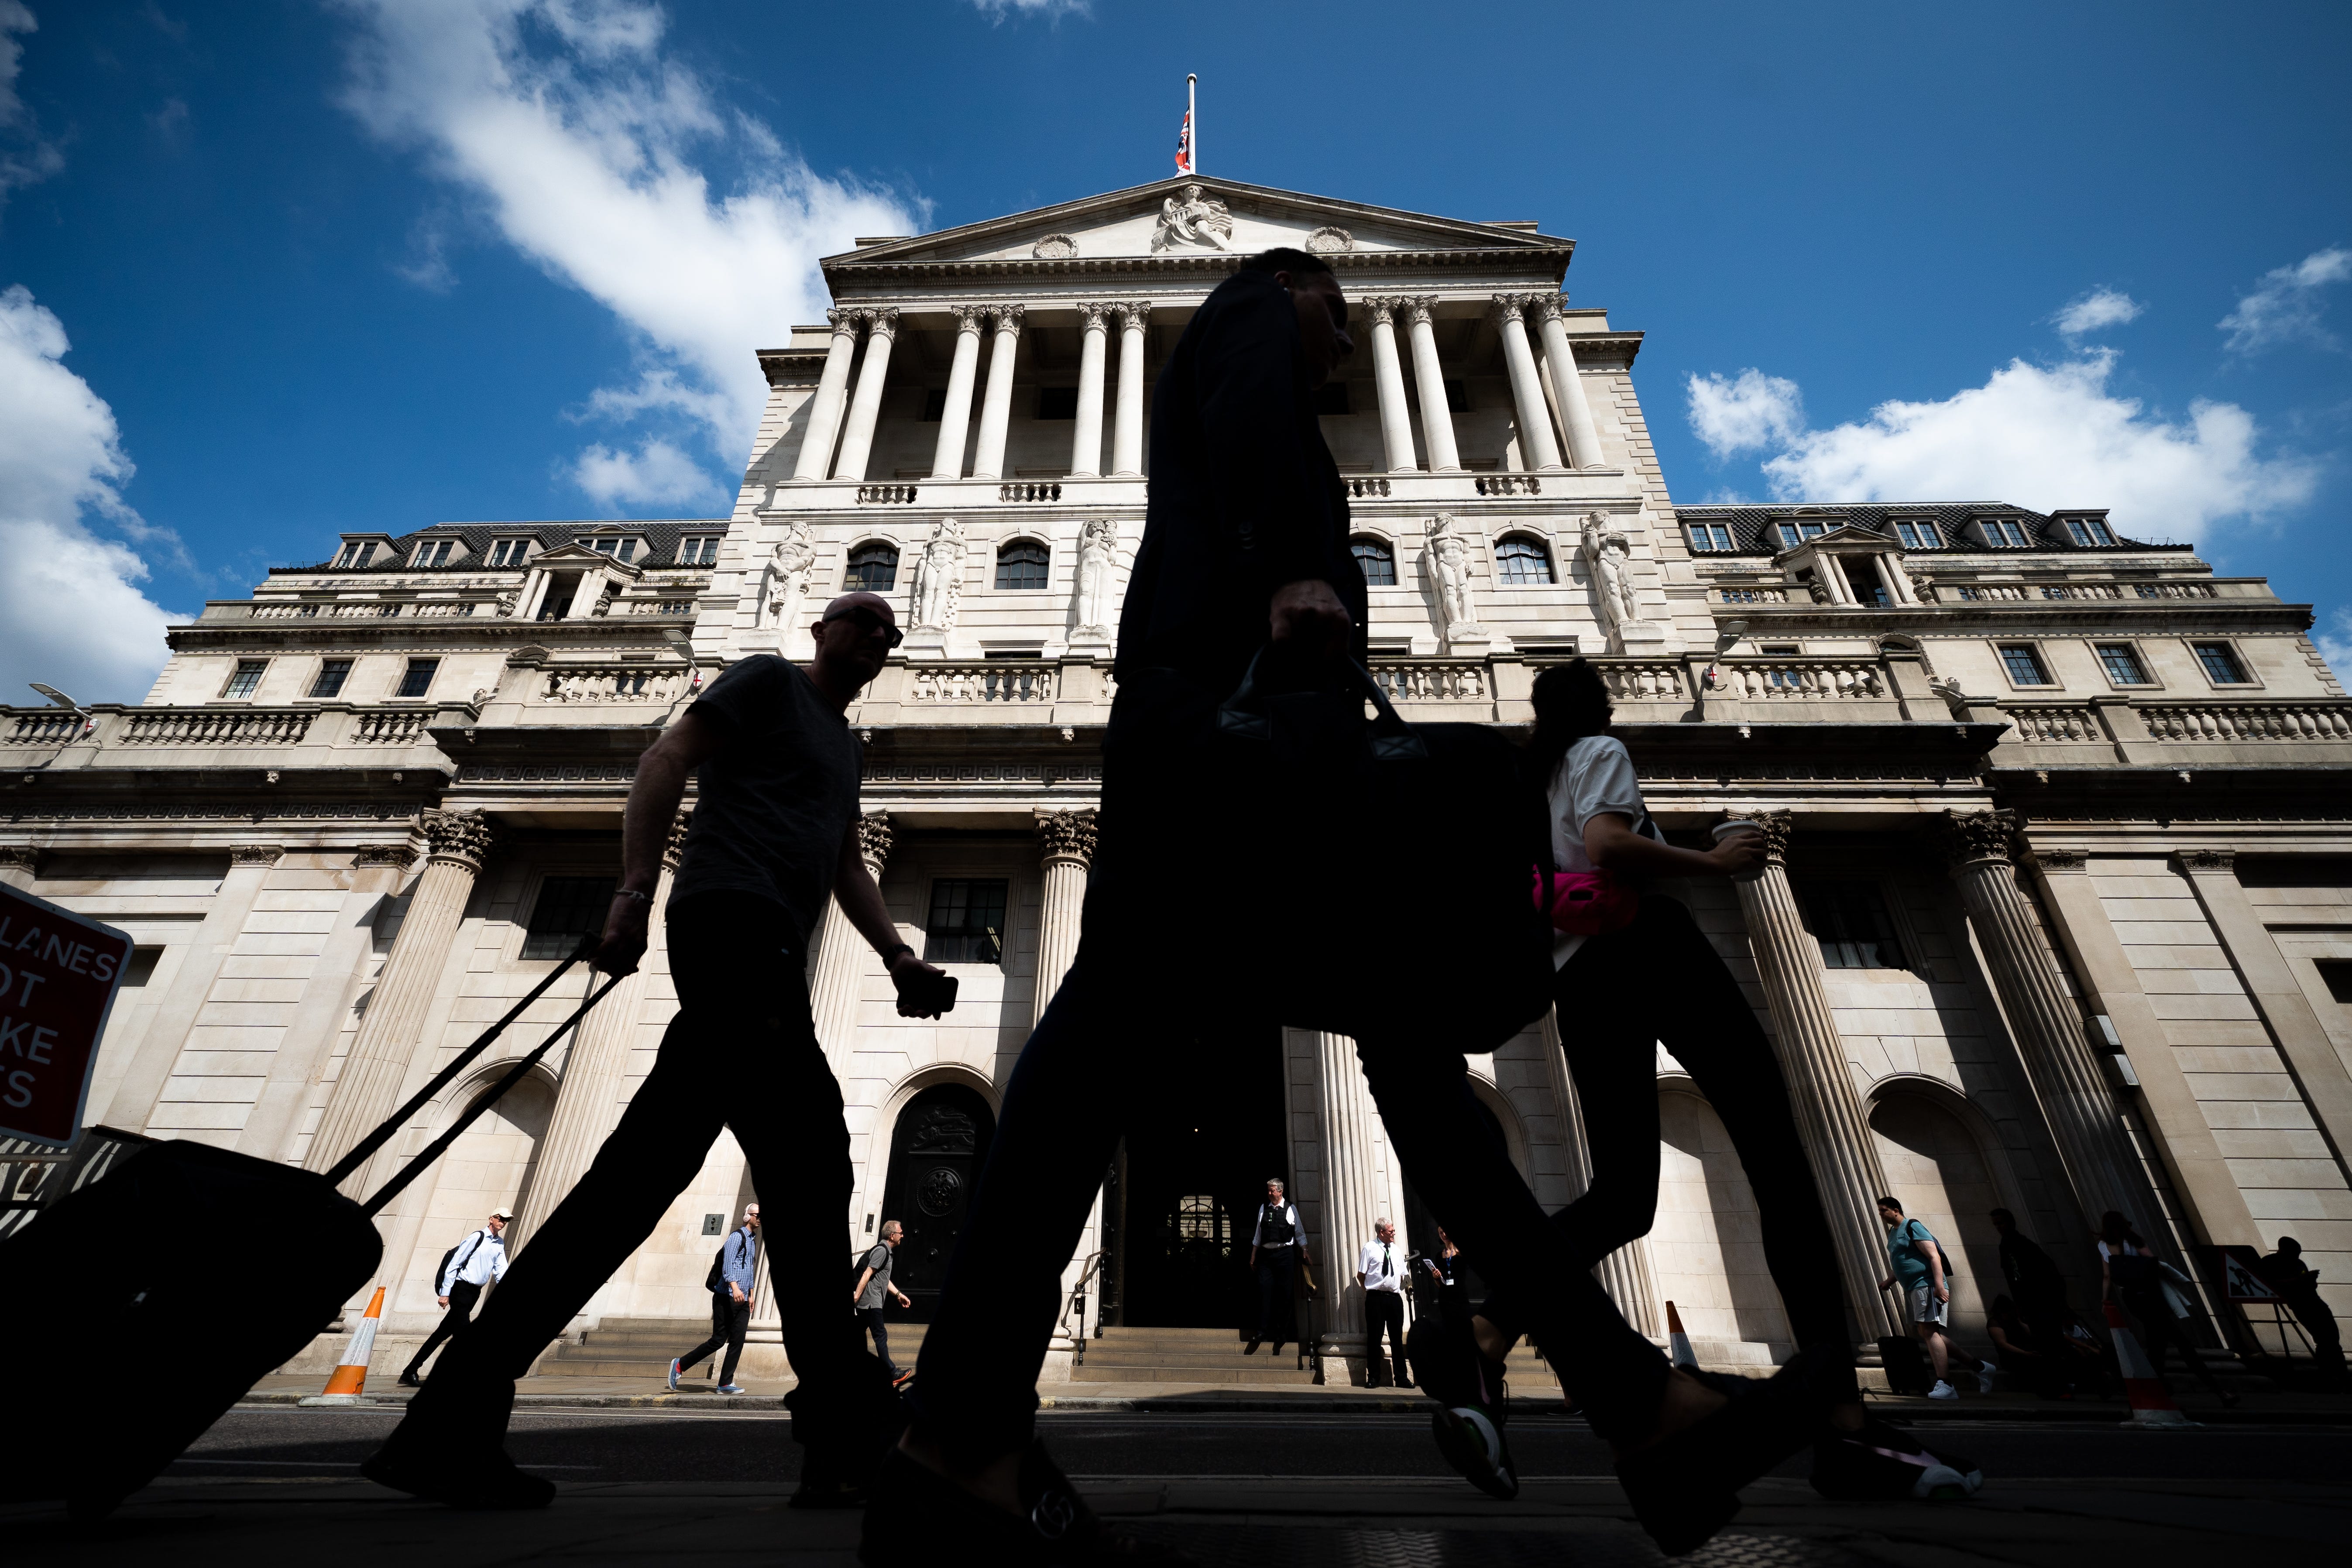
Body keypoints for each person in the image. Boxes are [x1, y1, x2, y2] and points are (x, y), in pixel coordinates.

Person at [864, 250, 1841, 1566]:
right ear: (1301, 290)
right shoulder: (1251, 308)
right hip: (1239, 722)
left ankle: (1634, 1401)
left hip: (1223, 723)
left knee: (1335, 1046)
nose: (1338, 350)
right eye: (1334, 323)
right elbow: (1258, 418)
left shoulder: (1254, 381)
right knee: (1192, 1038)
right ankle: (963, 1432)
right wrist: (1294, 573)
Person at [361, 590, 954, 1511]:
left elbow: (844, 865)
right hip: (728, 923)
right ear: (820, 631)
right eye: (862, 619)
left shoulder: (846, 746)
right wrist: (635, 888)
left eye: (891, 631)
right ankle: (843, 1429)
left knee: (649, 1180)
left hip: (779, 949)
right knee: (805, 1167)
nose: (880, 636)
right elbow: (665, 757)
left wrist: (897, 955)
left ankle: (449, 1417)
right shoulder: (764, 681)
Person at [1448, 660, 1977, 1508]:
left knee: (1623, 1194)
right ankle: (1844, 1423)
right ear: (1597, 706)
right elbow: (1610, 846)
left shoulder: (1524, 785)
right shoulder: (1596, 751)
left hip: (1581, 981)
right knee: (1780, 1160)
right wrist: (1714, 857)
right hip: (1653, 944)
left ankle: (1488, 1321)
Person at [2098, 1210, 2238, 1407]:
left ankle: (2155, 1389)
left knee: (2158, 1344)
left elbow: (2107, 1277)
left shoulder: (2104, 1245)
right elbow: (2153, 1262)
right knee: (2179, 1343)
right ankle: (2218, 1390)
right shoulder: (2135, 1240)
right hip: (2151, 1296)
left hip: (2132, 1299)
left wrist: (2105, 1301)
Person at [1877, 1197, 1994, 1399]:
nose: (1881, 1214)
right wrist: (1890, 1280)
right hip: (1913, 1288)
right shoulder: (1893, 1233)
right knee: (1929, 1333)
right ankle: (1980, 1367)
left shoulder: (1913, 1226)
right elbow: (1902, 1260)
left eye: (1884, 1210)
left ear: (1896, 1211)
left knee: (1930, 1332)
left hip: (1927, 1285)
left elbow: (1934, 1256)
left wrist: (1939, 1286)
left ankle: (1946, 1385)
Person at [398, 1209, 511, 1387]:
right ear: (491, 1218)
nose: (503, 1222)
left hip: (474, 1293)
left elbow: (501, 1270)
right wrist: (445, 1293)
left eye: (506, 1220)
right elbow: (454, 1264)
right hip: (461, 1289)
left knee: (440, 1334)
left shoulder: (498, 1243)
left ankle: (410, 1371)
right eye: (500, 1218)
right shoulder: (477, 1237)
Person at [669, 1204, 760, 1394]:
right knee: (719, 1340)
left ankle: (725, 1384)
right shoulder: (737, 1237)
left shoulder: (753, 1240)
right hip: (726, 1297)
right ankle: (680, 1365)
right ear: (747, 1217)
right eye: (756, 1215)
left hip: (743, 1300)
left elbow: (749, 1270)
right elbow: (728, 1265)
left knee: (738, 1341)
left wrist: (751, 1294)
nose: (759, 1218)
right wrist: (735, 1288)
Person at [2255, 1237, 2346, 1390]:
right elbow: (2269, 1284)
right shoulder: (2271, 1263)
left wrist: (2308, 1280)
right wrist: (2300, 1280)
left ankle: (2338, 1375)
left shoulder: (2296, 1263)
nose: (2297, 1256)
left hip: (2313, 1302)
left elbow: (2308, 1285)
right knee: (2325, 1340)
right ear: (2283, 1250)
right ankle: (2331, 1376)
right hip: (2302, 1304)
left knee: (2331, 1339)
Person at [1246, 1178, 1302, 1356]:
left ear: (1280, 1191)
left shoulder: (1291, 1209)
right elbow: (1258, 1234)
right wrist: (1254, 1255)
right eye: (1268, 1191)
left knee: (1284, 1295)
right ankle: (1262, 1332)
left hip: (1285, 1255)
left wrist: (1305, 1250)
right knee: (1264, 1292)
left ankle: (1282, 1334)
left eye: (1272, 1191)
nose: (1270, 1194)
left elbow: (1299, 1232)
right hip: (1266, 1256)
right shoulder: (1264, 1208)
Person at [855, 1221, 914, 1384]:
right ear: (891, 1236)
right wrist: (855, 1298)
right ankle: (891, 1372)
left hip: (869, 1304)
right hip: (871, 1304)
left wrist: (899, 1295)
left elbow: (884, 1280)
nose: (902, 1235)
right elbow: (867, 1274)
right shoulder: (882, 1251)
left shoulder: (886, 1252)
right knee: (881, 1336)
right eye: (900, 1233)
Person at [1357, 1218, 1409, 1390]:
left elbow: (1403, 1274)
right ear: (1381, 1233)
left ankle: (1402, 1378)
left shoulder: (1396, 1250)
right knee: (1374, 1338)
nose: (1394, 1233)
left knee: (1396, 1339)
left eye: (1393, 1230)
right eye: (1391, 1231)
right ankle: (1373, 1377)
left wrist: (1399, 1289)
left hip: (1394, 1299)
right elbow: (1361, 1276)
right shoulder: (1369, 1248)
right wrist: (1371, 1292)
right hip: (1376, 1299)